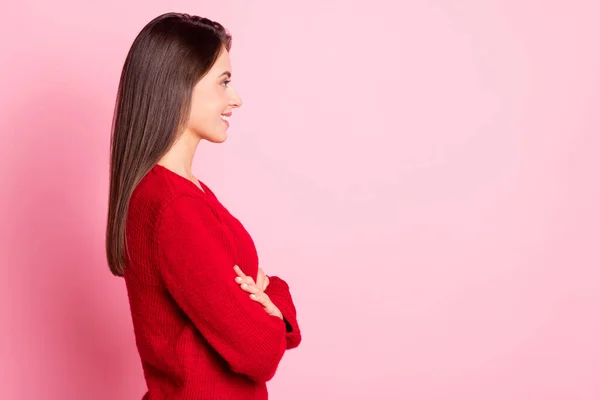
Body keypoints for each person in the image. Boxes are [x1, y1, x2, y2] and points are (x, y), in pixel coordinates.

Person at [104, 12, 302, 399]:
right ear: (178, 86)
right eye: (223, 82)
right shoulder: (174, 206)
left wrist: (272, 302)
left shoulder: (182, 194)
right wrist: (273, 298)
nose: (236, 99)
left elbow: (262, 330)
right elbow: (260, 353)